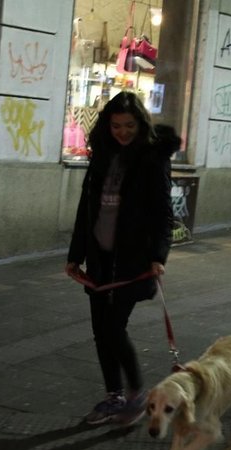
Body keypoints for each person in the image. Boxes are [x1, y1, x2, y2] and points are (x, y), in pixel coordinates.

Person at [66, 91, 181, 426]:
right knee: (100, 331)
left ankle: (135, 393)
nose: (122, 132)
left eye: (129, 125)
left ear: (140, 123)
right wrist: (75, 255)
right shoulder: (102, 155)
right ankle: (114, 396)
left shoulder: (152, 158)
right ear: (108, 125)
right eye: (116, 125)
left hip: (131, 260)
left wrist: (158, 255)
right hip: (99, 258)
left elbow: (163, 214)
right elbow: (86, 208)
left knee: (113, 328)